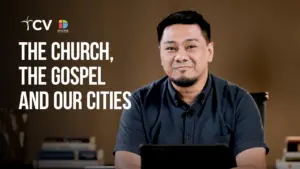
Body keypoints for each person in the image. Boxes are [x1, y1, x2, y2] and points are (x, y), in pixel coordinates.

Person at [113, 10, 269, 169]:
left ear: (209, 51)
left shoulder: (240, 101)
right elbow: (126, 165)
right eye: (171, 48)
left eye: (191, 46)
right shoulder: (138, 102)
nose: (180, 56)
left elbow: (253, 166)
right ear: (160, 54)